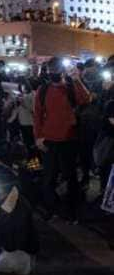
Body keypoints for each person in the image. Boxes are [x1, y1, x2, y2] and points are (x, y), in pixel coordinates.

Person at [34, 57, 90, 221]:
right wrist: (38, 137)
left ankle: (71, 211)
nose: (54, 73)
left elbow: (86, 99)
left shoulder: (71, 88)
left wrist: (76, 79)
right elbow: (37, 116)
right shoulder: (42, 90)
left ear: (63, 71)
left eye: (57, 69)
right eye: (51, 70)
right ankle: (52, 209)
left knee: (70, 176)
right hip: (49, 141)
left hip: (69, 140)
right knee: (49, 178)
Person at [0, 164, 39, 275]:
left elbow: (11, 246)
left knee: (6, 261)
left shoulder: (20, 206)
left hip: (21, 253)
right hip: (0, 249)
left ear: (1, 184)